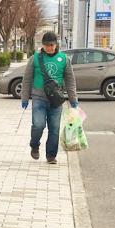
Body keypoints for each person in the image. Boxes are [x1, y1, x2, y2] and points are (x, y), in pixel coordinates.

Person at [20, 31, 78, 165]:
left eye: (52, 45)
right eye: (47, 45)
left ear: (56, 45)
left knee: (54, 128)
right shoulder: (35, 59)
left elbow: (70, 80)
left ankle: (51, 155)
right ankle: (34, 145)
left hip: (56, 100)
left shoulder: (64, 59)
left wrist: (73, 99)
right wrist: (24, 97)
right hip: (39, 98)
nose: (49, 48)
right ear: (43, 45)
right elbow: (27, 79)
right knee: (38, 125)